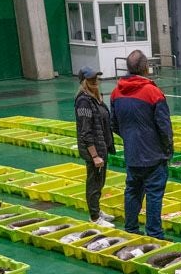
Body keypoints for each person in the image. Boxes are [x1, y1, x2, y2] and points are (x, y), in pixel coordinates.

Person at [111, 50, 173, 239]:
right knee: (154, 194)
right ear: (146, 68)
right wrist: (167, 150)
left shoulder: (116, 92)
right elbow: (164, 127)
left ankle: (130, 229)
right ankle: (154, 234)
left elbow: (114, 123)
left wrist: (130, 139)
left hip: (132, 154)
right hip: (153, 155)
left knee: (132, 191)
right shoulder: (152, 92)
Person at [74, 67, 115, 227]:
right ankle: (94, 217)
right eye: (91, 80)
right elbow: (86, 132)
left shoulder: (95, 98)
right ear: (84, 82)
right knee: (94, 183)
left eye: (96, 79)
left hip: (101, 146)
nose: (95, 82)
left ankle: (97, 210)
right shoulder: (83, 101)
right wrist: (94, 155)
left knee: (100, 182)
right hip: (94, 150)